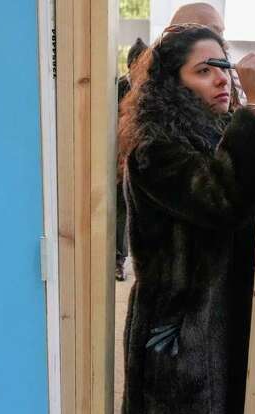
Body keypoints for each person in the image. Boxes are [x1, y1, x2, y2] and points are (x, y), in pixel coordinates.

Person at [116, 24, 255, 414]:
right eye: (203, 69)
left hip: (219, 322)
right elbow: (222, 200)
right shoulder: (155, 150)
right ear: (172, 83)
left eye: (224, 66)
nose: (221, 78)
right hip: (177, 333)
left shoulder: (218, 137)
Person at [116, 38, 149, 281]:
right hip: (119, 159)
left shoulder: (153, 91)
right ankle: (119, 259)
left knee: (134, 213)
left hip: (141, 160)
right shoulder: (119, 88)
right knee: (121, 210)